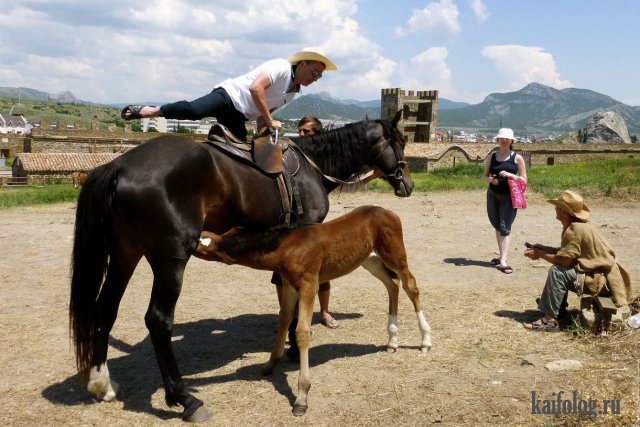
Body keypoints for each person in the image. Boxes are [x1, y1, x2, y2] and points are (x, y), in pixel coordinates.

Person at [121, 47, 337, 141]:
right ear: (302, 64)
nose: (316, 77)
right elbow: (256, 88)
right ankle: (151, 111)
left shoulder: (292, 93)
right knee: (194, 111)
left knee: (242, 155)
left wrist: (264, 136)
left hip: (240, 116)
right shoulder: (281, 67)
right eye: (314, 71)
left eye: (319, 76)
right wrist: (271, 121)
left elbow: (263, 117)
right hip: (229, 96)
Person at [523, 190, 633, 331]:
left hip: (603, 282)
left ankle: (549, 320)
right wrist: (545, 249)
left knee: (558, 272)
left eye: (557, 207)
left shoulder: (574, 229)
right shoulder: (579, 225)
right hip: (606, 278)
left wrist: (540, 255)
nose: (555, 209)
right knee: (561, 270)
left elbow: (565, 261)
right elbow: (570, 254)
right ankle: (559, 309)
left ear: (563, 211)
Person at [273, 115, 340, 328]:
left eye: (307, 132)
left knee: (321, 272)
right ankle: (287, 315)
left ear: (317, 134)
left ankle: (325, 312)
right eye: (300, 131)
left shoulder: (323, 162)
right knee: (280, 271)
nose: (301, 135)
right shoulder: (290, 157)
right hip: (287, 225)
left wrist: (369, 178)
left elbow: (342, 183)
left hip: (311, 226)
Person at [482, 128, 527, 274]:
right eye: (501, 138)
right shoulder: (492, 156)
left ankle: (503, 261)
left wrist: (509, 175)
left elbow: (524, 179)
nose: (504, 140)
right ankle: (502, 255)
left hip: (509, 196)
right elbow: (484, 176)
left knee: (505, 228)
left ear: (512, 141)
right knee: (497, 226)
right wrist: (491, 180)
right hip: (493, 194)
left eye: (507, 138)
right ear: (497, 140)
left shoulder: (517, 158)